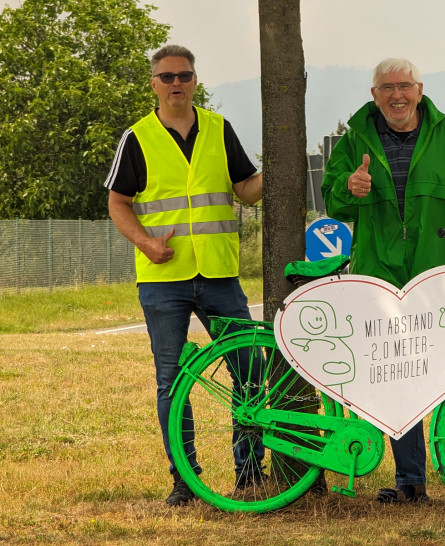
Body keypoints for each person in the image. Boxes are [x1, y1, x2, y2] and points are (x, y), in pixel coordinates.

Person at [321, 58, 445, 505]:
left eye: (405, 86)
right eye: (387, 87)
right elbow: (332, 201)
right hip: (381, 278)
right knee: (397, 375)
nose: (397, 95)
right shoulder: (355, 138)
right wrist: (348, 189)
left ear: (419, 90)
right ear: (374, 94)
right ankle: (410, 481)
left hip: (438, 276)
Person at [104, 44, 263, 506]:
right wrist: (146, 243)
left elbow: (246, 191)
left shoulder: (218, 128)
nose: (177, 83)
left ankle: (250, 472)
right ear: (154, 83)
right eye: (168, 76)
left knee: (249, 371)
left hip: (218, 271)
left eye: (185, 76)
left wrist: (278, 165)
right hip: (162, 277)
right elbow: (118, 202)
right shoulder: (137, 137)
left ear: (196, 81)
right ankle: (185, 478)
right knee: (171, 379)